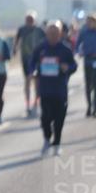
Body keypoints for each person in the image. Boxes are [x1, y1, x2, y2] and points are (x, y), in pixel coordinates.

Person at [30, 22, 78, 156]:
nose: (53, 36)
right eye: (50, 33)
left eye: (56, 33)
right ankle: (47, 138)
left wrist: (67, 68)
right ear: (46, 34)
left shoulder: (65, 49)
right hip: (45, 90)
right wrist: (33, 71)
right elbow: (32, 63)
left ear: (60, 34)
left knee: (59, 119)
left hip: (60, 90)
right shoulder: (40, 48)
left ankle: (57, 143)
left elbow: (74, 65)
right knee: (45, 117)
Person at [14, 11, 46, 117]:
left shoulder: (40, 30)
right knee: (27, 81)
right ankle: (27, 104)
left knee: (37, 83)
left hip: (37, 60)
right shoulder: (22, 29)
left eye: (31, 20)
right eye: (27, 20)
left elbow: (46, 41)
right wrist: (15, 49)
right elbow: (17, 40)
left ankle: (36, 103)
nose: (29, 22)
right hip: (26, 59)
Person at [76, 13, 96, 117]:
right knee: (88, 86)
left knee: (95, 84)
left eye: (91, 22)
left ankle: (95, 108)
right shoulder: (84, 33)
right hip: (88, 60)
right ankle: (89, 106)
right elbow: (77, 45)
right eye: (88, 22)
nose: (89, 23)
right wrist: (79, 52)